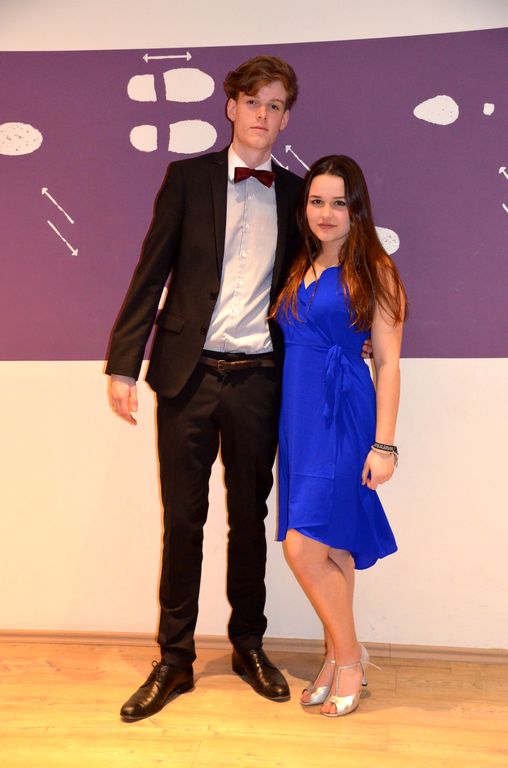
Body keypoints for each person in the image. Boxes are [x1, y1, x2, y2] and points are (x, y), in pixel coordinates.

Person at [106, 55, 304, 721]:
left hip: (259, 379)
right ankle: (174, 659)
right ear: (231, 106)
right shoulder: (187, 179)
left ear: (285, 117)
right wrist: (123, 363)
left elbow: (314, 282)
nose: (262, 115)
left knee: (251, 519)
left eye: (275, 105)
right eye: (253, 102)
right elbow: (151, 270)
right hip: (187, 377)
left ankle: (249, 646)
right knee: (183, 519)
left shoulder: (298, 194)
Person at [271, 155, 407, 718]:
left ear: (357, 209)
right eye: (316, 201)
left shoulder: (375, 269)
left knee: (301, 547)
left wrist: (384, 445)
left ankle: (350, 659)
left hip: (343, 413)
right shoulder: (300, 264)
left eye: (338, 202)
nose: (326, 213)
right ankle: (335, 656)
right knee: (331, 546)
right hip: (298, 419)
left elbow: (389, 364)